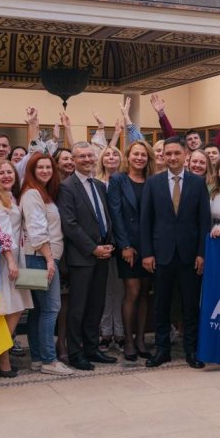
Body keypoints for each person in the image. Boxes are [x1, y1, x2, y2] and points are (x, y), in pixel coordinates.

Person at [140, 136, 211, 369]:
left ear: (185, 155)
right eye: (167, 153)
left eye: (176, 153)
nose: (172, 157)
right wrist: (147, 253)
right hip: (161, 254)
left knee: (190, 305)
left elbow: (204, 221)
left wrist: (202, 253)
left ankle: (192, 350)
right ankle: (162, 350)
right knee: (161, 304)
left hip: (190, 255)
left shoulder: (198, 183)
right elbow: (146, 220)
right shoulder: (153, 183)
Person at [57, 142, 116, 371]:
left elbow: (105, 217)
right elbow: (70, 224)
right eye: (81, 156)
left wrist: (109, 244)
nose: (87, 160)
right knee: (78, 308)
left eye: (90, 156)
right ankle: (75, 353)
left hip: (103, 254)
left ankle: (92, 349)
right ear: (73, 160)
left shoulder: (99, 185)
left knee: (96, 305)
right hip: (82, 257)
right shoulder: (66, 187)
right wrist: (93, 249)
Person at [20, 153, 73, 376]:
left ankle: (38, 357)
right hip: (40, 258)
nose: (45, 171)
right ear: (31, 171)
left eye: (48, 167)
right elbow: (37, 230)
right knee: (51, 308)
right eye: (40, 167)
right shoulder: (32, 193)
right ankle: (49, 360)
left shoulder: (42, 192)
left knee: (39, 310)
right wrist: (50, 259)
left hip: (39, 257)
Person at [108, 140, 155, 361]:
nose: (139, 158)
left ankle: (141, 339)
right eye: (136, 154)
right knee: (132, 292)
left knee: (145, 292)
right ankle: (128, 340)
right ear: (128, 156)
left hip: (150, 245)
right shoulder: (118, 180)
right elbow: (115, 214)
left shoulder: (153, 180)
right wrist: (124, 245)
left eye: (143, 155)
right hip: (128, 245)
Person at [0, 159, 31, 377]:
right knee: (9, 307)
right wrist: (11, 260)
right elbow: (1, 233)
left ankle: (0, 352)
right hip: (5, 259)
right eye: (1, 173)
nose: (6, 176)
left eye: (9, 172)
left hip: (17, 255)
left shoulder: (11, 196)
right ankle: (2, 358)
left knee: (16, 306)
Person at [96, 145, 125, 352]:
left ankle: (121, 333)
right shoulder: (95, 182)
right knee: (105, 291)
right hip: (101, 243)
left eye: (115, 153)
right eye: (107, 154)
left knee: (120, 290)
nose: (111, 157)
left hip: (122, 242)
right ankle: (106, 333)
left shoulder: (125, 180)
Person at [150, 93, 220, 150]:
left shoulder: (208, 153)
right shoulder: (182, 155)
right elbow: (171, 136)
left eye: (195, 138)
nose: (193, 141)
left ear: (200, 141)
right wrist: (161, 113)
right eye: (189, 139)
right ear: (186, 143)